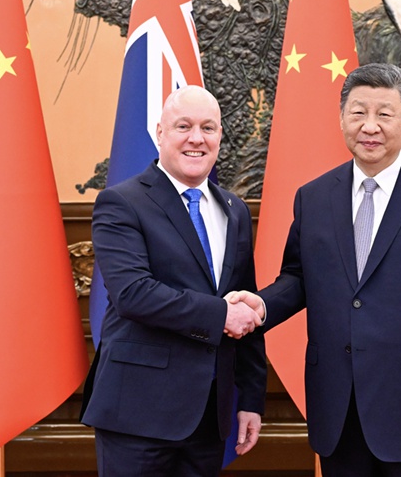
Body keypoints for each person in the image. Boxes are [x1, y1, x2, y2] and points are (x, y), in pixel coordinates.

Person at [229, 63, 401, 476]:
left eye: (384, 114)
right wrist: (261, 306)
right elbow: (299, 277)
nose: (370, 126)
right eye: (358, 113)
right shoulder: (314, 197)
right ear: (341, 119)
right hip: (339, 406)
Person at [80, 85, 267, 476]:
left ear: (219, 136)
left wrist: (251, 398)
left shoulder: (234, 210)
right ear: (160, 133)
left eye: (208, 128)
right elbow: (133, 294)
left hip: (208, 417)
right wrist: (221, 315)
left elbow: (243, 302)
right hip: (137, 413)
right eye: (184, 126)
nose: (196, 138)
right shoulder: (121, 202)